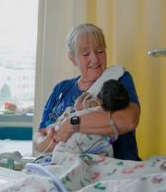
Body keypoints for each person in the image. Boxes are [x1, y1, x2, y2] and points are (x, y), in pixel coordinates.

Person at [34, 23, 141, 161]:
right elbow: (40, 134)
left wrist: (70, 125)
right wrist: (50, 143)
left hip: (114, 170)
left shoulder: (117, 79)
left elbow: (128, 120)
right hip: (63, 164)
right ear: (73, 58)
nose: (95, 59)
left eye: (100, 51)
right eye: (86, 54)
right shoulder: (61, 89)